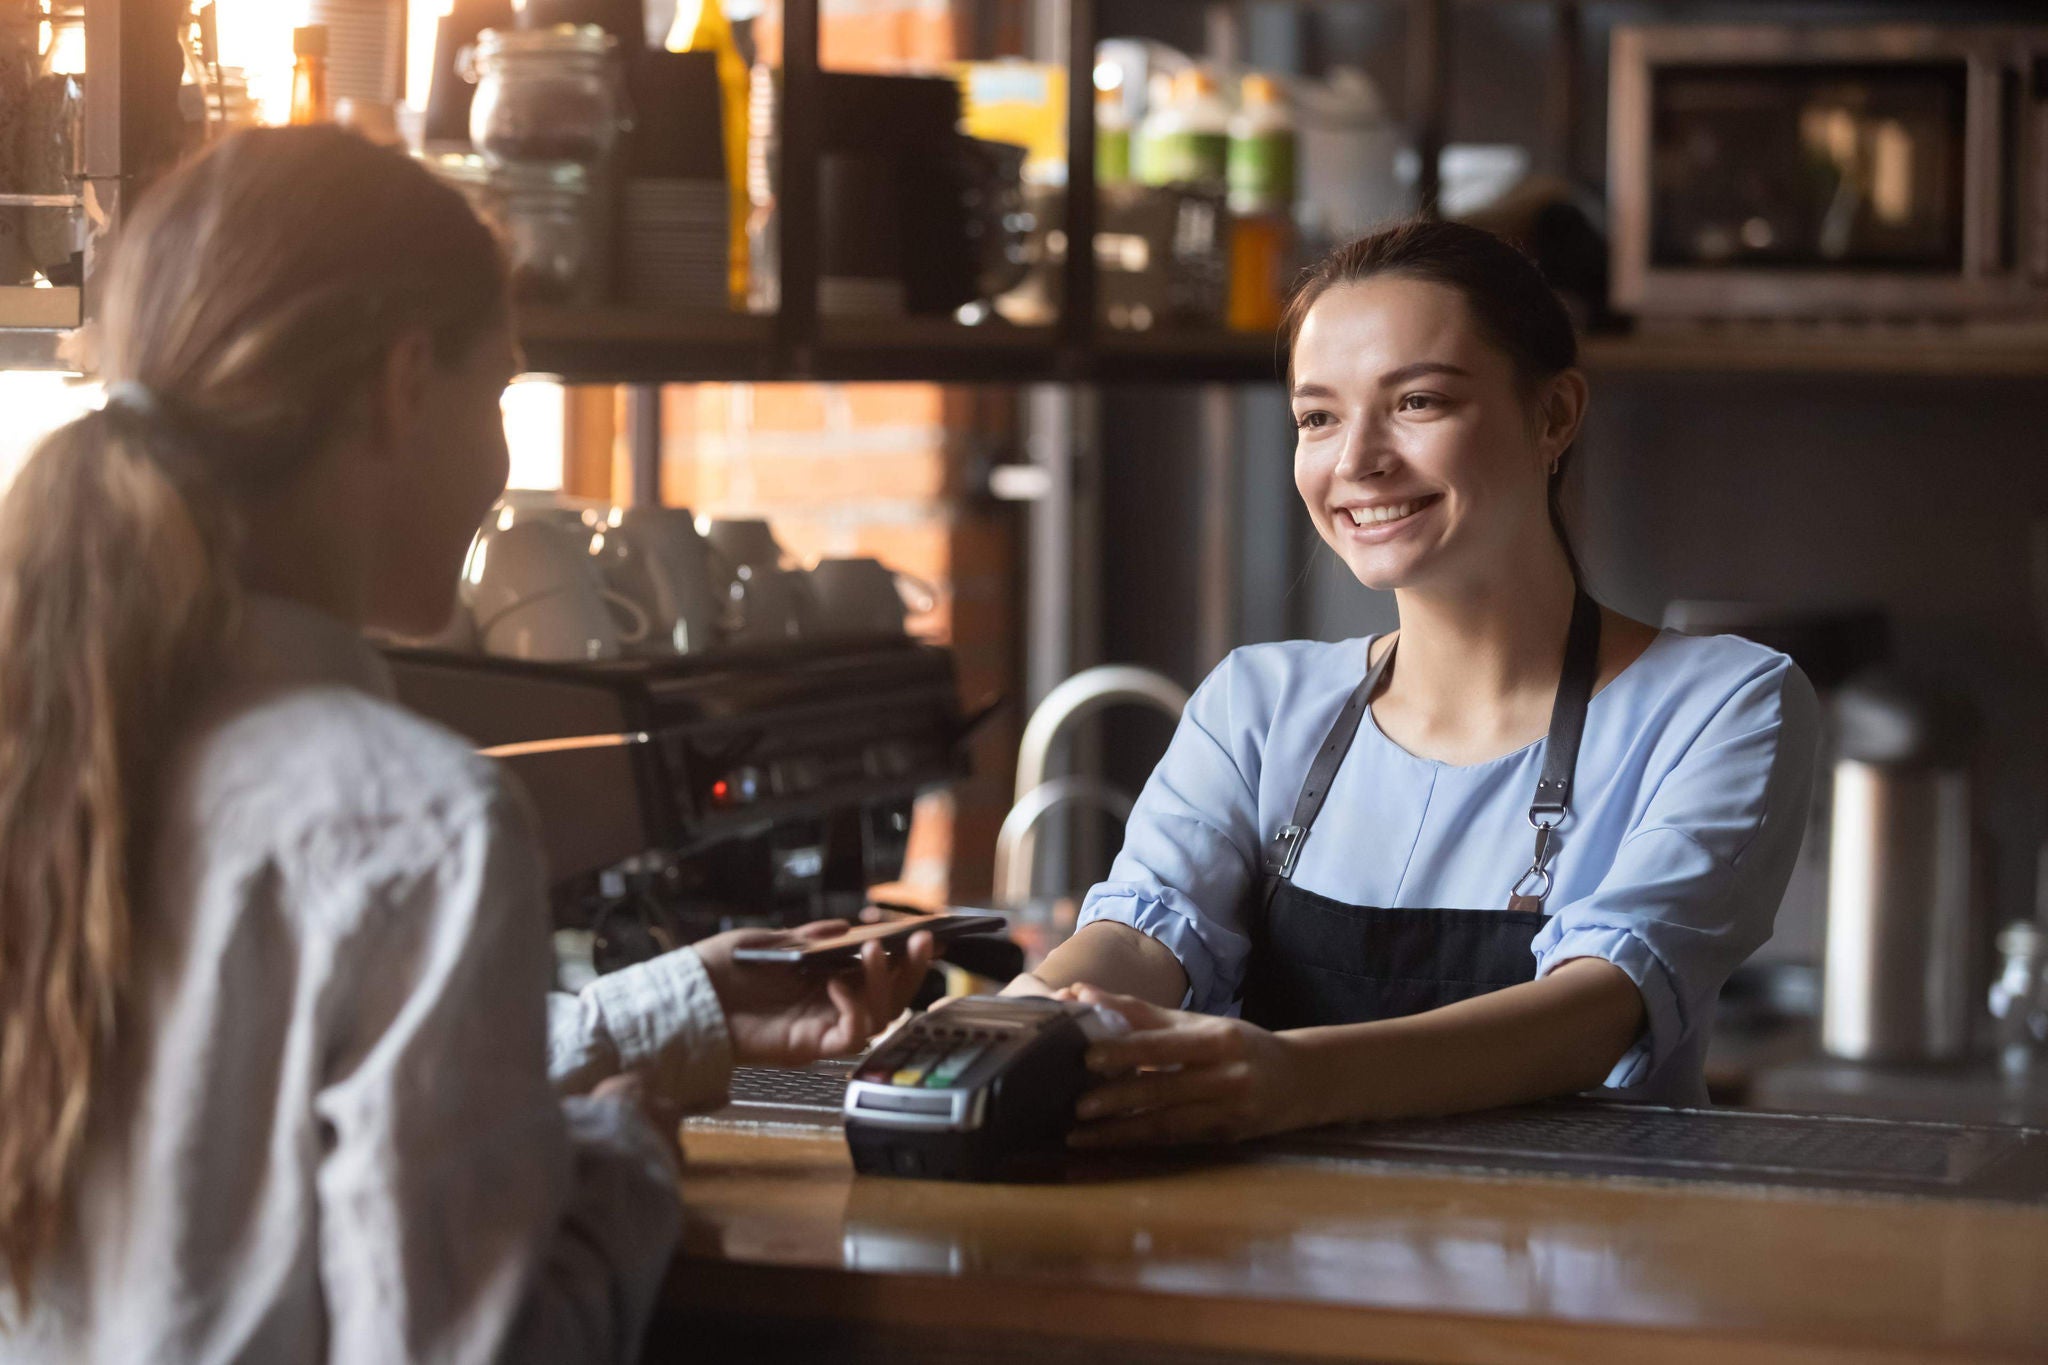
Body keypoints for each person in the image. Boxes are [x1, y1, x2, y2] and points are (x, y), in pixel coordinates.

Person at [0, 126, 931, 1362]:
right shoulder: (417, 818)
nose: (500, 457)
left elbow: (249, 1114)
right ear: (400, 384)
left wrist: (673, 1009)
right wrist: (622, 1175)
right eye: (498, 391)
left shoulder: (48, 743)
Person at [1011, 220, 1818, 1144]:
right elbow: (1144, 935)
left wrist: (1292, 1076)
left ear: (1553, 416)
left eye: (1419, 402)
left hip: (1578, 1268)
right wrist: (1012, 1025)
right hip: (1279, 1262)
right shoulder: (1256, 705)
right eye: (1318, 416)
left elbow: (1599, 1008)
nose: (1356, 461)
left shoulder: (1722, 704)